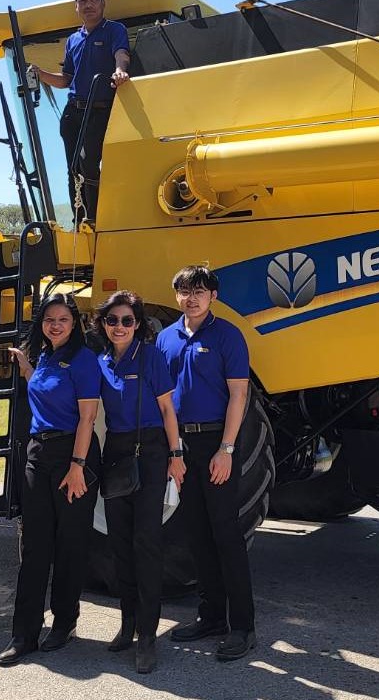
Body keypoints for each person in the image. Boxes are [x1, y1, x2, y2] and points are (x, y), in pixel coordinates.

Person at [157, 265, 257, 661]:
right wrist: (173, 451)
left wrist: (227, 449)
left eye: (199, 291)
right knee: (196, 534)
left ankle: (243, 627)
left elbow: (239, 396)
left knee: (226, 536)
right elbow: (163, 401)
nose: (191, 298)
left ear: (213, 296)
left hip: (217, 443)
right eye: (184, 291)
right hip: (181, 445)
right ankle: (211, 616)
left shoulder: (228, 336)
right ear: (177, 295)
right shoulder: (165, 339)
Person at [0, 292, 102, 666]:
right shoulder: (43, 358)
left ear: (74, 325)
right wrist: (26, 365)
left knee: (70, 543)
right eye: (49, 320)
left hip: (74, 456)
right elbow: (39, 390)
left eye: (63, 320)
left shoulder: (84, 360)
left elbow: (87, 418)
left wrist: (77, 466)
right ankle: (23, 634)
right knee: (35, 546)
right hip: (38, 455)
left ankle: (65, 622)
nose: (55, 325)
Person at [94, 291, 187, 674]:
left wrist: (176, 455)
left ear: (138, 324)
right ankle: (127, 624)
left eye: (127, 320)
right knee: (119, 544)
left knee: (145, 543)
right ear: (103, 324)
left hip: (150, 451)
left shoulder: (152, 357)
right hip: (115, 452)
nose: (119, 327)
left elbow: (167, 409)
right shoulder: (100, 362)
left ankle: (147, 636)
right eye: (112, 320)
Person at [27, 0, 131, 225]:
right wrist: (41, 74)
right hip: (73, 112)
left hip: (100, 110)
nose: (88, 4)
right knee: (73, 169)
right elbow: (65, 80)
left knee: (88, 163)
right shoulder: (73, 40)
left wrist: (120, 71)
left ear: (103, 3)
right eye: (82, 0)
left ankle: (95, 218)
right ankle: (79, 219)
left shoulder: (115, 30)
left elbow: (121, 54)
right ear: (76, 7)